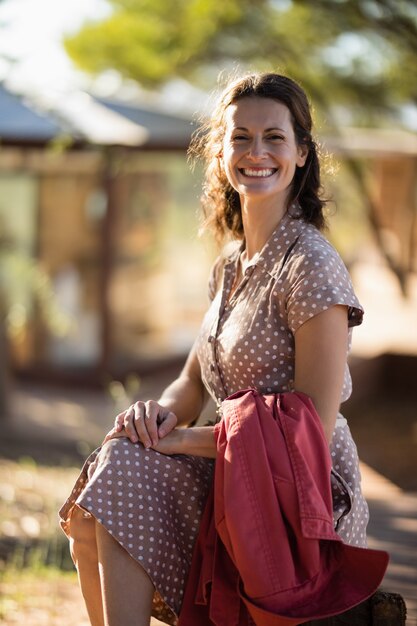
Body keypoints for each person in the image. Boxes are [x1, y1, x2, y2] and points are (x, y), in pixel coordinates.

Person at [59, 72, 370, 626]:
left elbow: (311, 429)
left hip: (300, 496)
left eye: (274, 137)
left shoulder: (311, 265)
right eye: (240, 137)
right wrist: (155, 419)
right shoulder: (229, 264)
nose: (256, 152)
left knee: (125, 473)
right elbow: (193, 381)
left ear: (301, 153)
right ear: (221, 152)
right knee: (105, 485)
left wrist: (180, 441)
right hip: (228, 469)